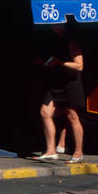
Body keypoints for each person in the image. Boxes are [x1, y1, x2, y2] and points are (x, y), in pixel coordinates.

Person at [36, 25, 84, 162]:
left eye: (54, 24)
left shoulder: (71, 42)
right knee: (45, 112)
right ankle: (51, 150)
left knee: (72, 117)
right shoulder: (54, 41)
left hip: (70, 84)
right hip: (56, 83)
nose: (51, 26)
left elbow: (79, 66)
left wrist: (60, 63)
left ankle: (78, 152)